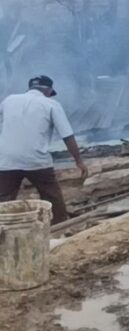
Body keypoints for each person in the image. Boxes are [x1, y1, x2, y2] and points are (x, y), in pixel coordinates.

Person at [0, 75, 87, 224]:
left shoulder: (9, 100)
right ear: (49, 91)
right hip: (36, 160)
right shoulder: (51, 105)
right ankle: (59, 227)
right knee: (52, 196)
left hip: (7, 160)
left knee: (4, 199)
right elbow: (67, 135)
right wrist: (79, 161)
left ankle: (4, 229)